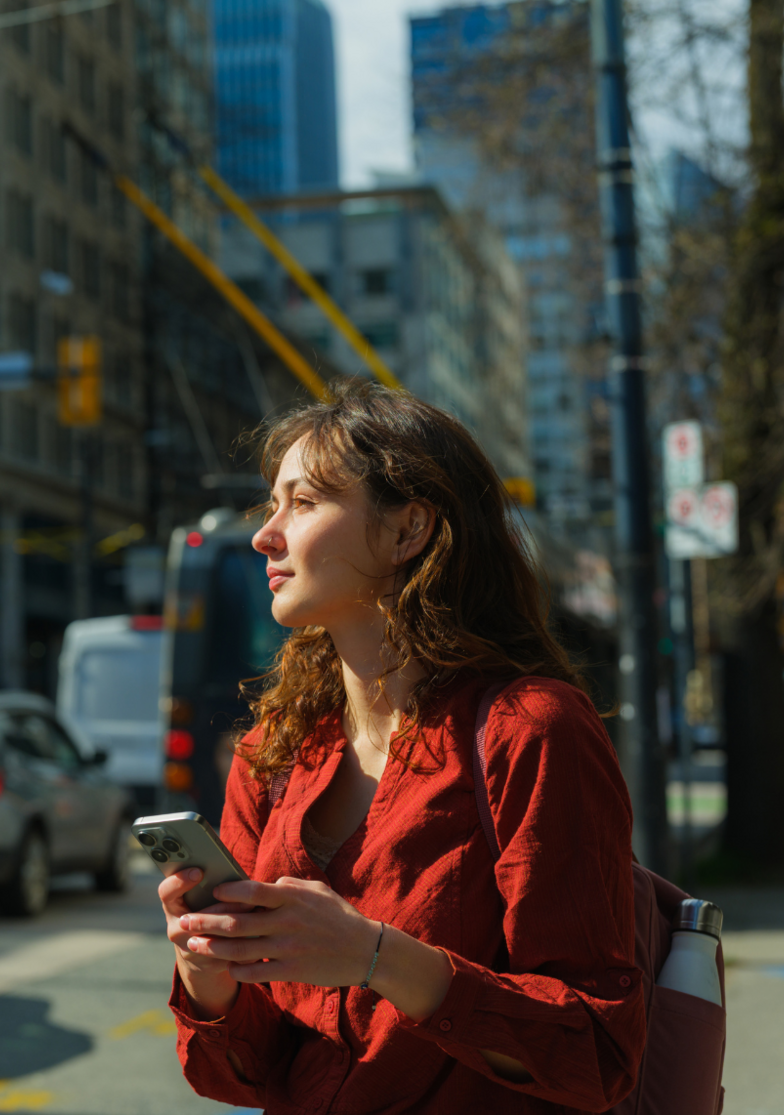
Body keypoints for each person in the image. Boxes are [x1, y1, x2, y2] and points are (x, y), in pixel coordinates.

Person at [159, 383, 646, 1114]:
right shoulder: (273, 755)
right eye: (271, 505)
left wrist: (376, 956)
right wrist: (205, 966)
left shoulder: (531, 728)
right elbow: (240, 1073)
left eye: (305, 502)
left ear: (407, 529)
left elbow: (596, 1054)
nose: (268, 534)